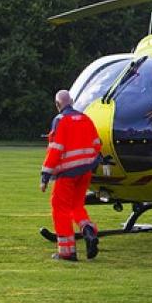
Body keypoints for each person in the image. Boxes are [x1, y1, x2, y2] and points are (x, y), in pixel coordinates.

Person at [40, 90, 102, 261]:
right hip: (85, 171)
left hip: (67, 173)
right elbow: (97, 144)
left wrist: (45, 175)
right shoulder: (86, 119)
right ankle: (89, 231)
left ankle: (67, 252)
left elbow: (55, 149)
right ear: (72, 101)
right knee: (76, 206)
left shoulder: (60, 121)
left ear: (57, 104)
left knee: (60, 209)